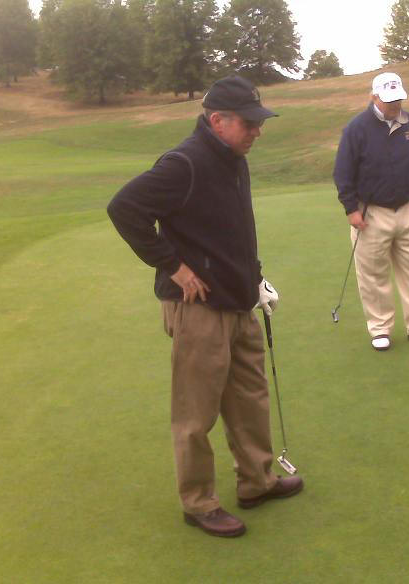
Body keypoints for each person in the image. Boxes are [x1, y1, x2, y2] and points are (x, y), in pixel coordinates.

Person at [107, 75, 303, 538]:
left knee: (249, 399)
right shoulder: (184, 163)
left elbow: (235, 230)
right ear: (217, 120)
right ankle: (198, 503)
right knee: (196, 413)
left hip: (238, 300)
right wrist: (173, 266)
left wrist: (255, 278)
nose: (257, 131)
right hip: (199, 308)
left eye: (258, 122)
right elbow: (124, 208)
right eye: (249, 123)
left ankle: (256, 481)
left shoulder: (234, 160)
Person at [333, 72, 409, 352]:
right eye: (389, 100)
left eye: (398, 99)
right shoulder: (356, 128)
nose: (395, 105)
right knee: (373, 274)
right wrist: (350, 209)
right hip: (371, 213)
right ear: (374, 97)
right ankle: (380, 329)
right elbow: (342, 173)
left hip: (408, 208)